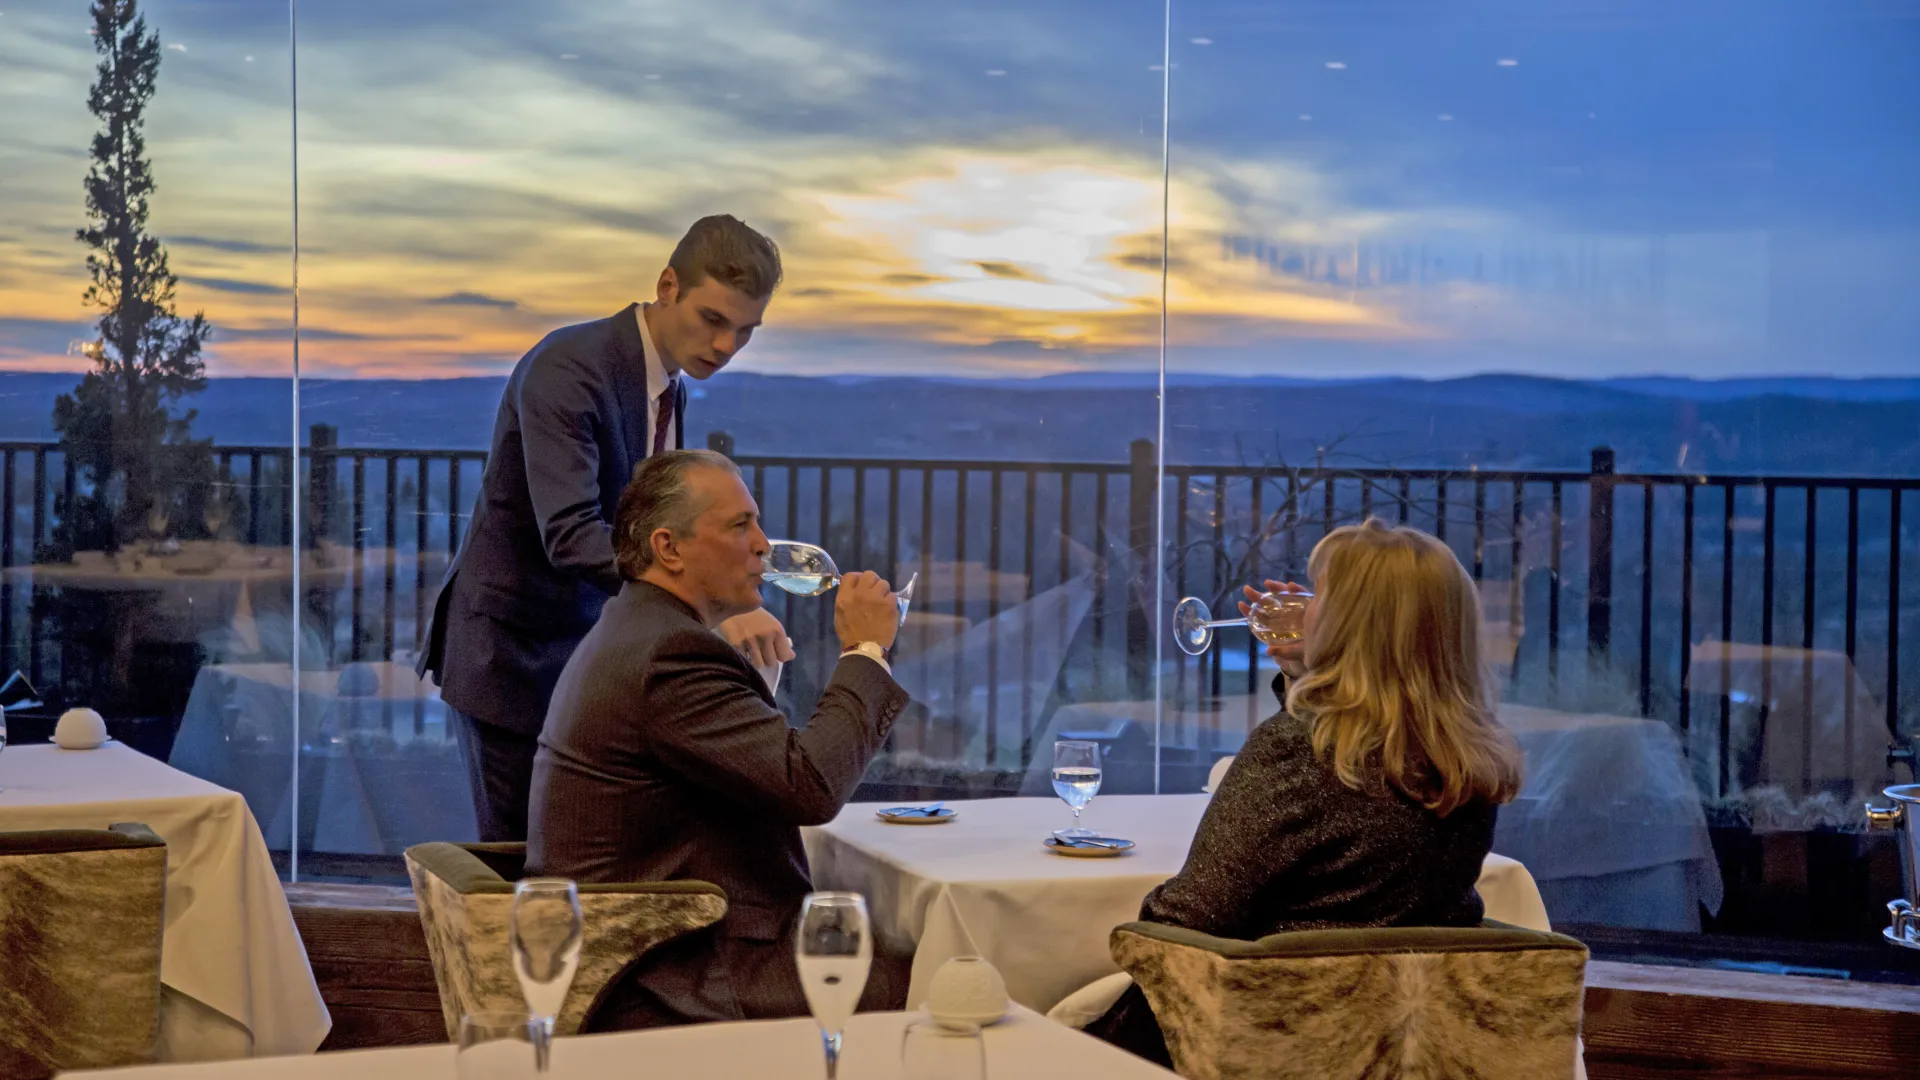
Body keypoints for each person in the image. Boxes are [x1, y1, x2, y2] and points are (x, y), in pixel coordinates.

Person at [1088, 518, 1525, 1066]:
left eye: (1322, 594)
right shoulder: (1466, 760)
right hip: (1393, 1052)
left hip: (1256, 1040)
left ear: (1352, 624)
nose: (1303, 604)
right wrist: (1306, 672)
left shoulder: (1297, 750)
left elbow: (1184, 924)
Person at [417, 215, 796, 842]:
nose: (727, 346)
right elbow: (571, 536)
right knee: (522, 887)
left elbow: (652, 527)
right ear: (667, 285)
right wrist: (711, 602)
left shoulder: (667, 384)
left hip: (587, 662)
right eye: (713, 319)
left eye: (745, 331)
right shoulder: (569, 368)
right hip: (516, 660)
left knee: (586, 875)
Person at [526, 449, 909, 1028]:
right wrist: (865, 651)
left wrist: (759, 694)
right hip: (673, 977)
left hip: (653, 952)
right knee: (945, 972)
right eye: (739, 525)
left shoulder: (641, 629)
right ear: (668, 548)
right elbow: (811, 785)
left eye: (756, 521)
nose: (762, 542)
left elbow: (750, 773)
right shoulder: (671, 653)